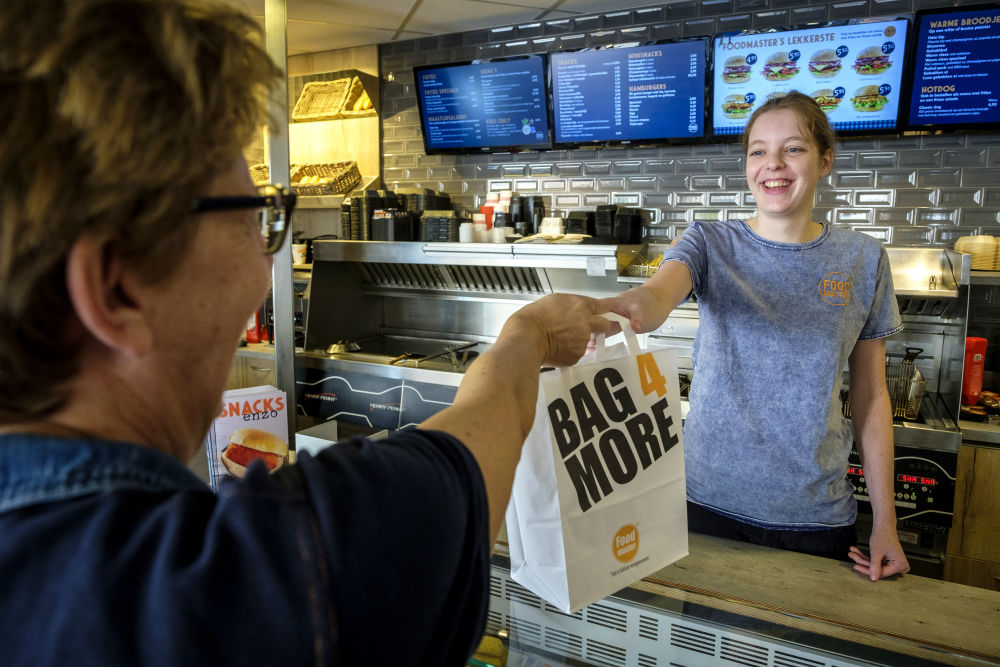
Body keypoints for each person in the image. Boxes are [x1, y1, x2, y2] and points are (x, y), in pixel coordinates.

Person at [0, 1, 611, 665]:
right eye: (255, 218)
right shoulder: (258, 575)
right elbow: (465, 460)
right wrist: (527, 338)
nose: (268, 267)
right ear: (116, 286)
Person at [600, 92, 910, 581]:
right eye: (758, 151)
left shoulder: (863, 260)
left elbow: (871, 397)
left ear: (825, 160)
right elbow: (654, 299)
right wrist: (613, 312)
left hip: (816, 516)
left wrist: (885, 523)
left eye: (793, 149)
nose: (773, 165)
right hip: (705, 506)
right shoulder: (708, 242)